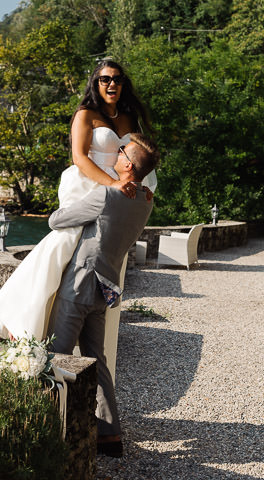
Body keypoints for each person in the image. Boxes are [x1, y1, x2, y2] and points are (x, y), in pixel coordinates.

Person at [0, 59, 155, 342]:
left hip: (121, 192)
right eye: (105, 79)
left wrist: (143, 187)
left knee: (104, 249)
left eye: (117, 79)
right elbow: (79, 158)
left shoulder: (129, 118)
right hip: (89, 185)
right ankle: (24, 320)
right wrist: (113, 183)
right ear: (96, 83)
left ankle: (92, 313)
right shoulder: (86, 114)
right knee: (64, 244)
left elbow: (139, 156)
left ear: (123, 84)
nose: (112, 84)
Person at [46, 133, 159, 458]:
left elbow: (58, 220)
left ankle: (51, 430)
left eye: (121, 150)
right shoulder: (146, 201)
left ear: (126, 163)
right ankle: (110, 436)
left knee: (58, 356)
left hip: (81, 282)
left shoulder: (108, 196)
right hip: (106, 288)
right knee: (98, 361)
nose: (117, 152)